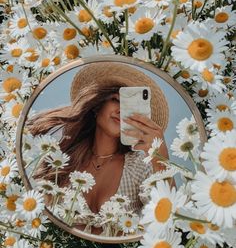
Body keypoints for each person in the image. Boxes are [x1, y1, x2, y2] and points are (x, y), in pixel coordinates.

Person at [27, 62, 169, 234]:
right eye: (116, 99)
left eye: (130, 106)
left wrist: (160, 159)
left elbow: (166, 222)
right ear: (97, 106)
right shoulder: (61, 159)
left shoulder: (142, 166)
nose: (122, 110)